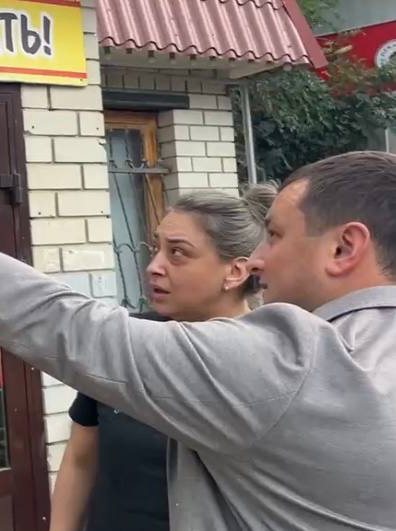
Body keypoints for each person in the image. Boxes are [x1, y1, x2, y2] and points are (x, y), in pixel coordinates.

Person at [0, 145, 396, 529]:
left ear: (344, 247)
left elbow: (69, 326)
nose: (261, 258)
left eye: (275, 235)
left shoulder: (294, 363)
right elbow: (81, 458)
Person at [51, 185, 276, 531]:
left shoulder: (275, 361)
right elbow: (80, 460)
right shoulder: (126, 343)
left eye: (178, 253)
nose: (154, 267)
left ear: (235, 272)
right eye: (157, 249)